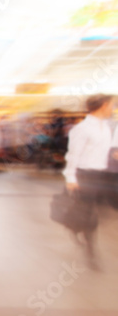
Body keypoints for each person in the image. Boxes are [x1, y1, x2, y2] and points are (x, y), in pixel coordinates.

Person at [63, 94, 114, 269]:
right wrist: (70, 177)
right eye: (112, 105)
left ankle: (74, 224)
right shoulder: (82, 129)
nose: (113, 108)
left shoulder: (106, 127)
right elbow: (73, 154)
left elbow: (108, 151)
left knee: (90, 211)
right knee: (90, 214)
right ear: (104, 105)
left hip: (102, 175)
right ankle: (92, 254)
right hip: (85, 175)